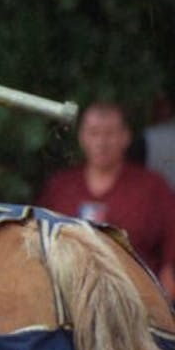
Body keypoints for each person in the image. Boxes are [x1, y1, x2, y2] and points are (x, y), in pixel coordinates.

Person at [37, 101, 175, 296]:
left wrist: (162, 313)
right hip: (68, 303)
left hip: (135, 304)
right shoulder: (61, 186)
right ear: (82, 137)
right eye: (94, 133)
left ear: (125, 137)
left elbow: (171, 264)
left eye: (109, 133)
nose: (101, 142)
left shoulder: (152, 187)